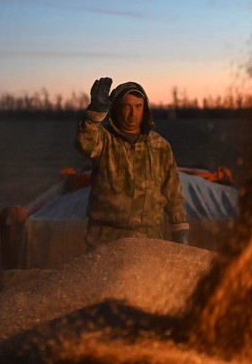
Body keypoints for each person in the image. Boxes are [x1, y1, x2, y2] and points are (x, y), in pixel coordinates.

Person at [74, 77, 189, 251]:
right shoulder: (104, 140)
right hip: (105, 239)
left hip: (150, 238)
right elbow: (85, 145)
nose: (132, 113)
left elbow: (172, 191)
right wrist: (94, 114)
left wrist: (180, 232)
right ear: (116, 109)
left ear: (145, 109)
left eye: (138, 106)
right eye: (126, 106)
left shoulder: (160, 145)